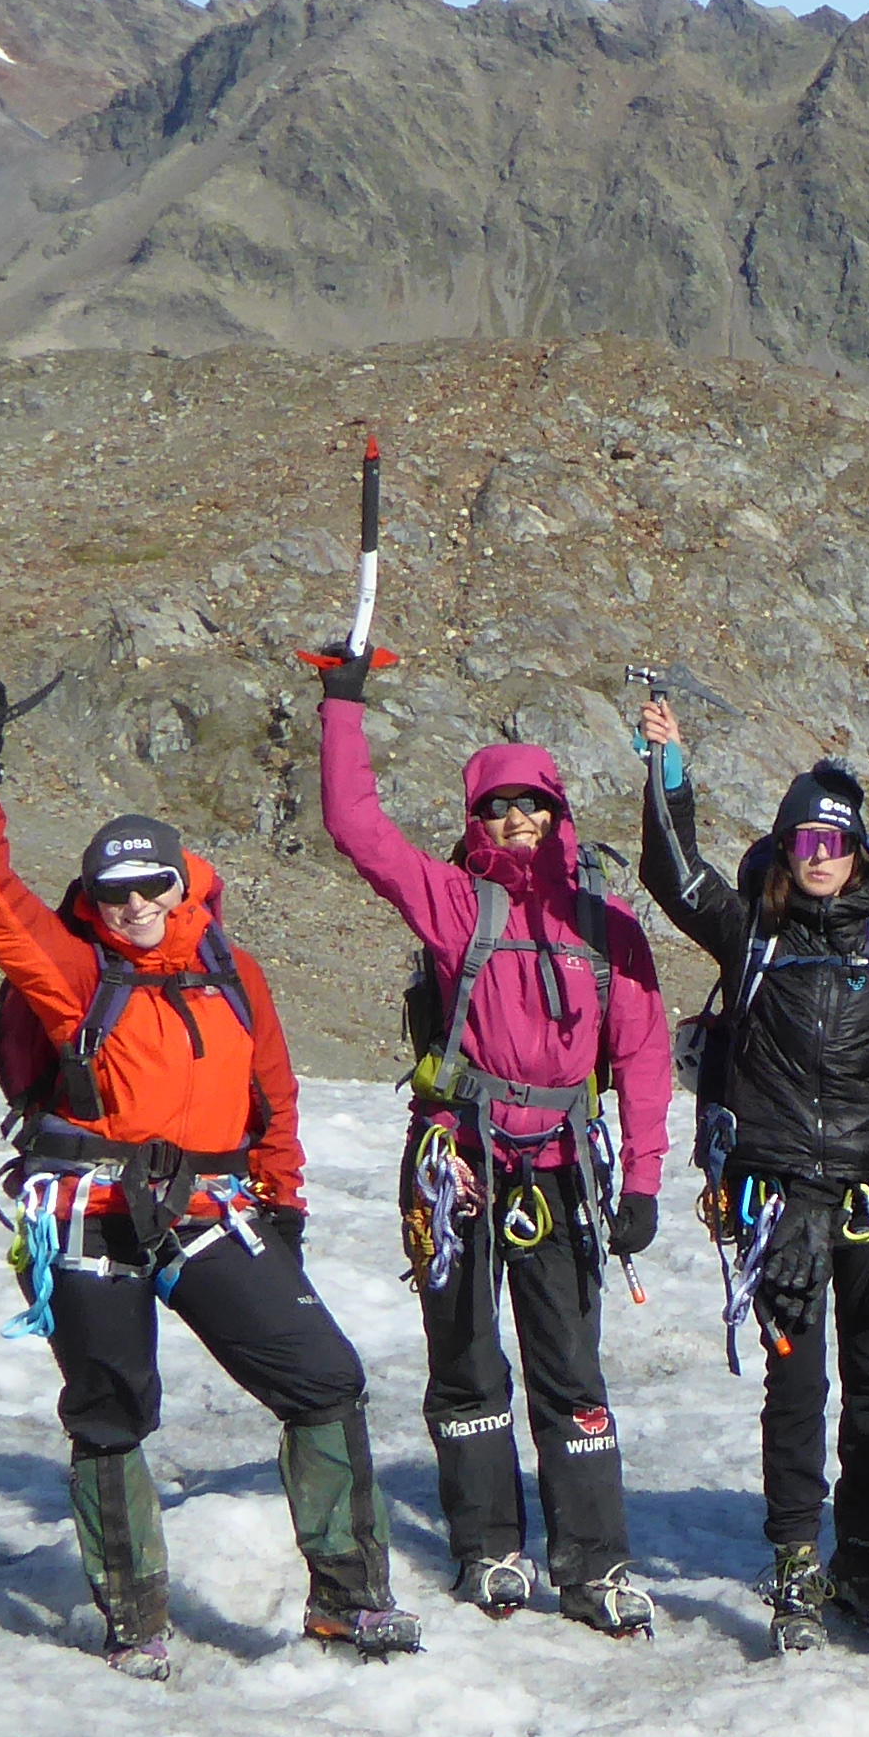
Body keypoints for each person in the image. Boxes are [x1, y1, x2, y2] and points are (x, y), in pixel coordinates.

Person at [0, 704, 417, 1674]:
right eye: (114, 893)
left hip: (210, 1209)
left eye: (152, 885)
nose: (135, 905)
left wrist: (283, 1203)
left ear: (182, 882)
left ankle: (349, 1603)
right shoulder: (74, 973)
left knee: (324, 1379)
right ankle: (135, 1622)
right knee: (110, 1410)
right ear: (92, 900)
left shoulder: (235, 974)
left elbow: (272, 1094)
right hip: (89, 1211)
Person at [313, 661, 672, 1635]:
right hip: (459, 1164)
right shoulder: (451, 901)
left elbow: (644, 1054)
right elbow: (357, 827)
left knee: (571, 1373)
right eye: (498, 808)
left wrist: (642, 1181)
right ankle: (488, 1549)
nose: (517, 822)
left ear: (559, 814)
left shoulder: (605, 925)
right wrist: (342, 705)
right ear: (477, 820)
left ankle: (592, 1564)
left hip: (561, 1168)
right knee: (467, 1363)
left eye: (533, 806)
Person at [637, 698, 869, 1648]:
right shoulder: (753, 932)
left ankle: (864, 1549)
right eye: (805, 840)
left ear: (857, 852)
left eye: (835, 841)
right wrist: (668, 772)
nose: (820, 855)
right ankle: (796, 1558)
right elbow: (673, 874)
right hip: (780, 1201)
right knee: (796, 1388)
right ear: (784, 847)